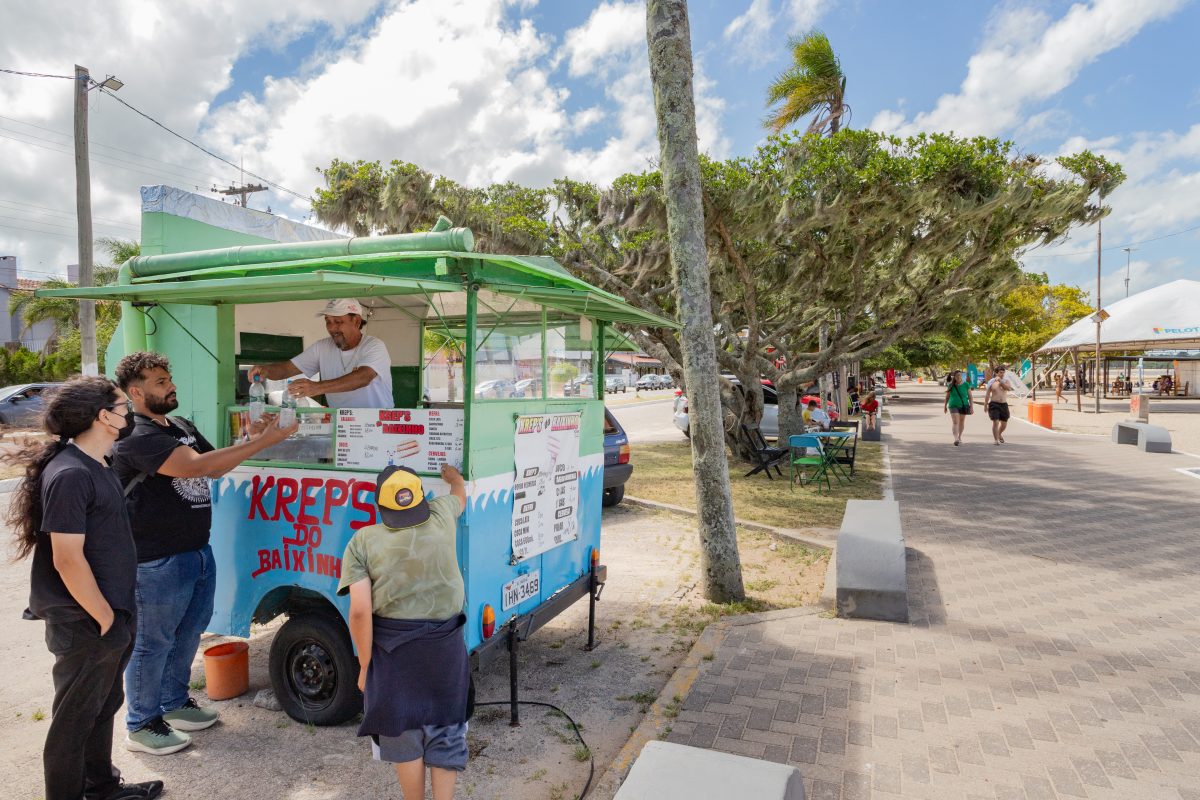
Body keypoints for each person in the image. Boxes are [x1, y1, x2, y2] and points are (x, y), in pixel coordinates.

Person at [113, 352, 297, 755]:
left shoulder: (180, 425)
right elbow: (193, 467)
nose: (171, 386)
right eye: (160, 382)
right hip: (154, 559)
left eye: (169, 378)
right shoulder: (134, 434)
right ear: (136, 392)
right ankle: (142, 723)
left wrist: (251, 441)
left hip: (195, 550)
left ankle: (175, 703)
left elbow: (214, 466)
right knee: (152, 642)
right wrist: (266, 442)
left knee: (187, 634)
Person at [5, 376, 164, 800]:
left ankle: (101, 787)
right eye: (121, 405)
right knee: (73, 721)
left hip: (109, 614)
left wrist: (117, 616)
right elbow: (67, 558)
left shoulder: (98, 465)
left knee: (102, 705)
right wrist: (106, 618)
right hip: (85, 621)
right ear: (103, 417)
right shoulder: (72, 473)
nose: (128, 412)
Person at [339, 464, 469, 800]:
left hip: (392, 653)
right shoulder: (441, 515)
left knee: (403, 730)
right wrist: (454, 478)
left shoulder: (362, 542)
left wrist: (365, 666)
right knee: (446, 727)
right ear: (423, 499)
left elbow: (359, 611)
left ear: (380, 507)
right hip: (445, 645)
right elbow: (459, 496)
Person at [249, 298, 393, 408]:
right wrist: (265, 370)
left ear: (356, 321)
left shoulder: (374, 346)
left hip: (377, 425)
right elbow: (287, 369)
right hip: (342, 426)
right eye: (328, 321)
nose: (331, 328)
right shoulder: (322, 347)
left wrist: (317, 387)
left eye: (338, 321)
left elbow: (363, 378)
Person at [984, 365, 1013, 445]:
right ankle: (996, 440)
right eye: (1000, 372)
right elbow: (987, 394)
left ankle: (999, 434)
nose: (1002, 374)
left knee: (1004, 424)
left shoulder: (1006, 381)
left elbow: (1008, 388)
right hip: (994, 404)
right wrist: (985, 405)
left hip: (1004, 404)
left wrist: (1000, 380)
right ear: (996, 373)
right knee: (995, 422)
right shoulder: (991, 382)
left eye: (1003, 372)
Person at [943, 370, 972, 445]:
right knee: (955, 421)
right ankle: (956, 439)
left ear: (961, 376)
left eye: (960, 375)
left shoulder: (966, 384)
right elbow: (947, 397)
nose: (958, 377)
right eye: (957, 376)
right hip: (953, 405)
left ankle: (959, 437)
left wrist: (971, 407)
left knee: (961, 422)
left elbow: (970, 397)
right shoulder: (951, 385)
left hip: (963, 405)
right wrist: (945, 406)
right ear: (954, 377)